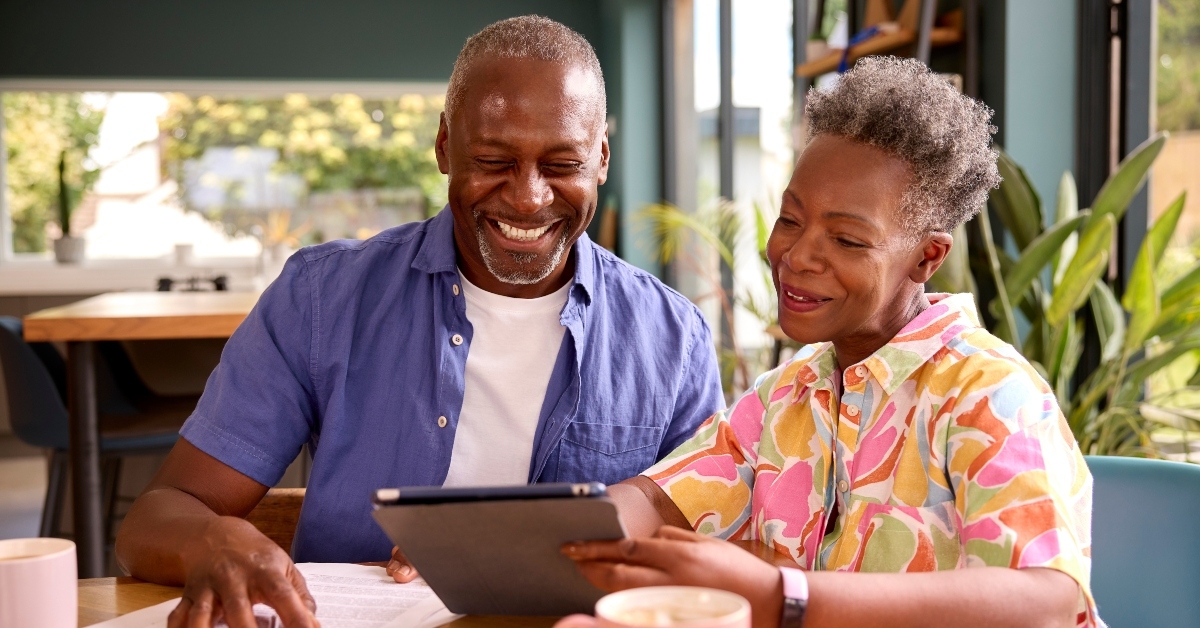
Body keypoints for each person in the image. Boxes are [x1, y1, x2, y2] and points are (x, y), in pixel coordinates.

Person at [115, 16, 724, 628]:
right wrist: (215, 541)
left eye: (561, 163)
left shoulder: (673, 338)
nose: (528, 197)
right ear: (443, 147)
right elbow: (158, 516)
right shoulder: (321, 299)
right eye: (493, 159)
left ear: (601, 159)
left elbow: (708, 555)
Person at [560, 57, 1100, 628]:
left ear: (927, 257)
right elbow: (657, 502)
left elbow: (1049, 600)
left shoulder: (990, 392)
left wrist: (786, 596)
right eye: (791, 220)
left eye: (846, 239)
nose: (798, 257)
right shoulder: (785, 397)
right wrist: (544, 537)